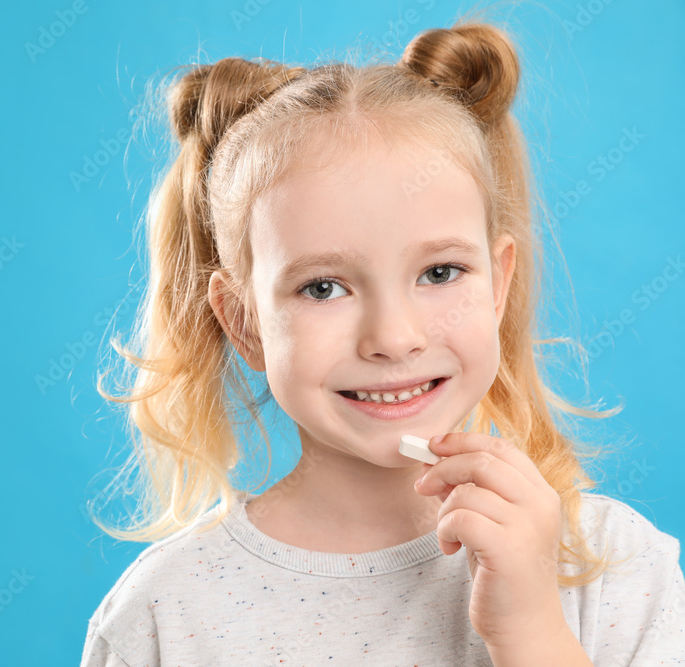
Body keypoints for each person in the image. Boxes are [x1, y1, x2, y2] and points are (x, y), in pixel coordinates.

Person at [79, 19, 685, 666]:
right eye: (322, 288)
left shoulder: (614, 568)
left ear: (499, 284)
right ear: (244, 322)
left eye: (440, 273)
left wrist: (533, 632)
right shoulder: (164, 613)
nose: (394, 338)